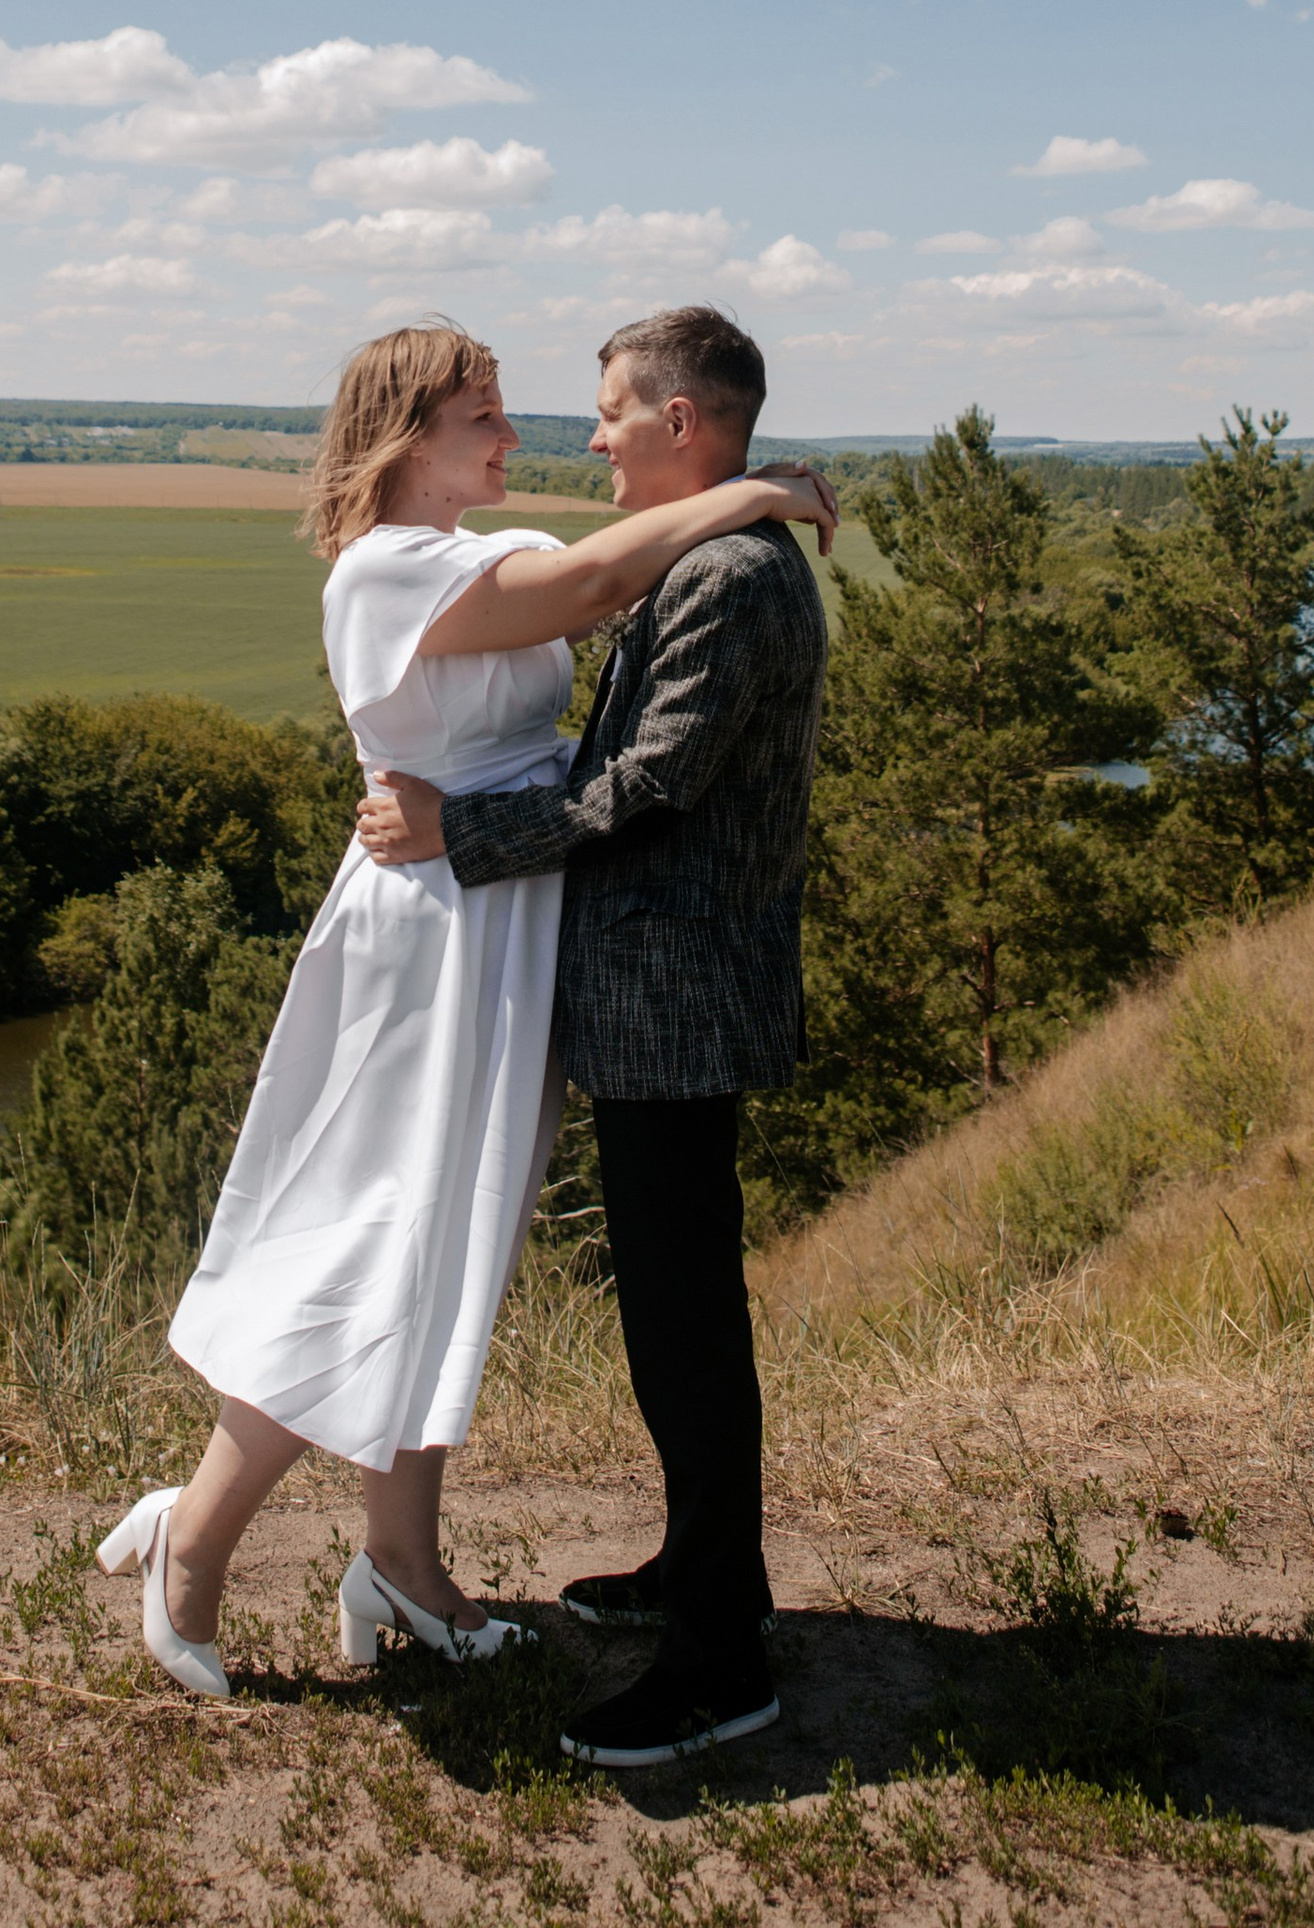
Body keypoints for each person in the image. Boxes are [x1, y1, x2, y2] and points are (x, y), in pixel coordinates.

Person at [94, 319, 837, 1700]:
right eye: (483, 417)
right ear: (406, 437)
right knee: (371, 1235)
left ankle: (403, 1562)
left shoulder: (460, 553)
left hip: (497, 918)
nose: (519, 437)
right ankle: (191, 1543)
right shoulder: (386, 570)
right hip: (431, 926)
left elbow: (583, 692)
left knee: (446, 1253)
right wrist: (753, 491)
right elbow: (588, 591)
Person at [356, 305, 832, 1770]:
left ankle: (720, 1657)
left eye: (614, 412)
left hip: (676, 1003)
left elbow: (648, 790)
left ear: (682, 423)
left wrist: (455, 831)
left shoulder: (733, 581)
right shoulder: (709, 559)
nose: (594, 437)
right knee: (668, 1313)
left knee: (687, 1326)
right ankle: (699, 1571)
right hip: (658, 998)